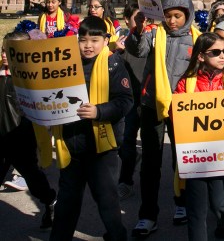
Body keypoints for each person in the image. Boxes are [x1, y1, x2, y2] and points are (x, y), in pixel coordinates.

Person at [49, 16, 133, 241]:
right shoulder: (65, 64)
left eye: (94, 40)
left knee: (107, 200)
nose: (88, 45)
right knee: (66, 202)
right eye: (83, 40)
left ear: (106, 40)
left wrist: (99, 111)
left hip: (103, 148)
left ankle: (117, 236)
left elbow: (125, 101)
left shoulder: (114, 64)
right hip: (71, 145)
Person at [126, 0, 200, 236]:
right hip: (152, 104)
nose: (172, 21)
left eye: (178, 16)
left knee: (182, 159)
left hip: (183, 107)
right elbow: (137, 50)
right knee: (150, 161)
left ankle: (182, 203)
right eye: (168, 16)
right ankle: (148, 215)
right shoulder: (155, 34)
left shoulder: (196, 38)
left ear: (187, 15)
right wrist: (137, 31)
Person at [174, 33, 224, 241]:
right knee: (196, 212)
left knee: (220, 205)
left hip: (223, 158)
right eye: (216, 52)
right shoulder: (187, 83)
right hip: (196, 158)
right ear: (201, 56)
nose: (223, 56)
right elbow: (175, 112)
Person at [0, 31, 57, 229]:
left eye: (11, 51)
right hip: (1, 137)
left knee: (33, 179)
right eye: (3, 50)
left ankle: (50, 201)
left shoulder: (33, 79)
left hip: (21, 138)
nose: (5, 54)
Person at [115, 4, 152, 200]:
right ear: (127, 19)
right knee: (125, 140)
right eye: (137, 18)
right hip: (127, 97)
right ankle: (125, 181)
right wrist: (116, 51)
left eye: (144, 18)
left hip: (146, 97)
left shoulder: (152, 38)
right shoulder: (120, 38)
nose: (142, 22)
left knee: (146, 142)